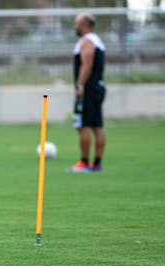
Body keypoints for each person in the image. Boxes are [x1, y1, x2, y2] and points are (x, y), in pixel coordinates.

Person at [67, 13, 106, 173]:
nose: (75, 26)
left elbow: (87, 63)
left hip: (88, 89)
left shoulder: (87, 41)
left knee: (82, 125)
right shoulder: (97, 40)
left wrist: (80, 86)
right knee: (97, 125)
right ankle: (96, 163)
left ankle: (84, 163)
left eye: (76, 23)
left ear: (84, 25)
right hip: (97, 87)